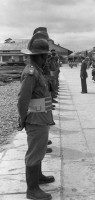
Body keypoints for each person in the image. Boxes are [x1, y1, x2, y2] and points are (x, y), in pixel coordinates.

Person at [18, 31, 54, 200]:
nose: (46, 59)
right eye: (45, 56)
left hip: (41, 119)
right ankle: (32, 189)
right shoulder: (31, 73)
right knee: (34, 153)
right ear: (41, 56)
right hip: (35, 120)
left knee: (39, 150)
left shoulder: (37, 70)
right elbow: (23, 99)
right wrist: (22, 118)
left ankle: (38, 177)